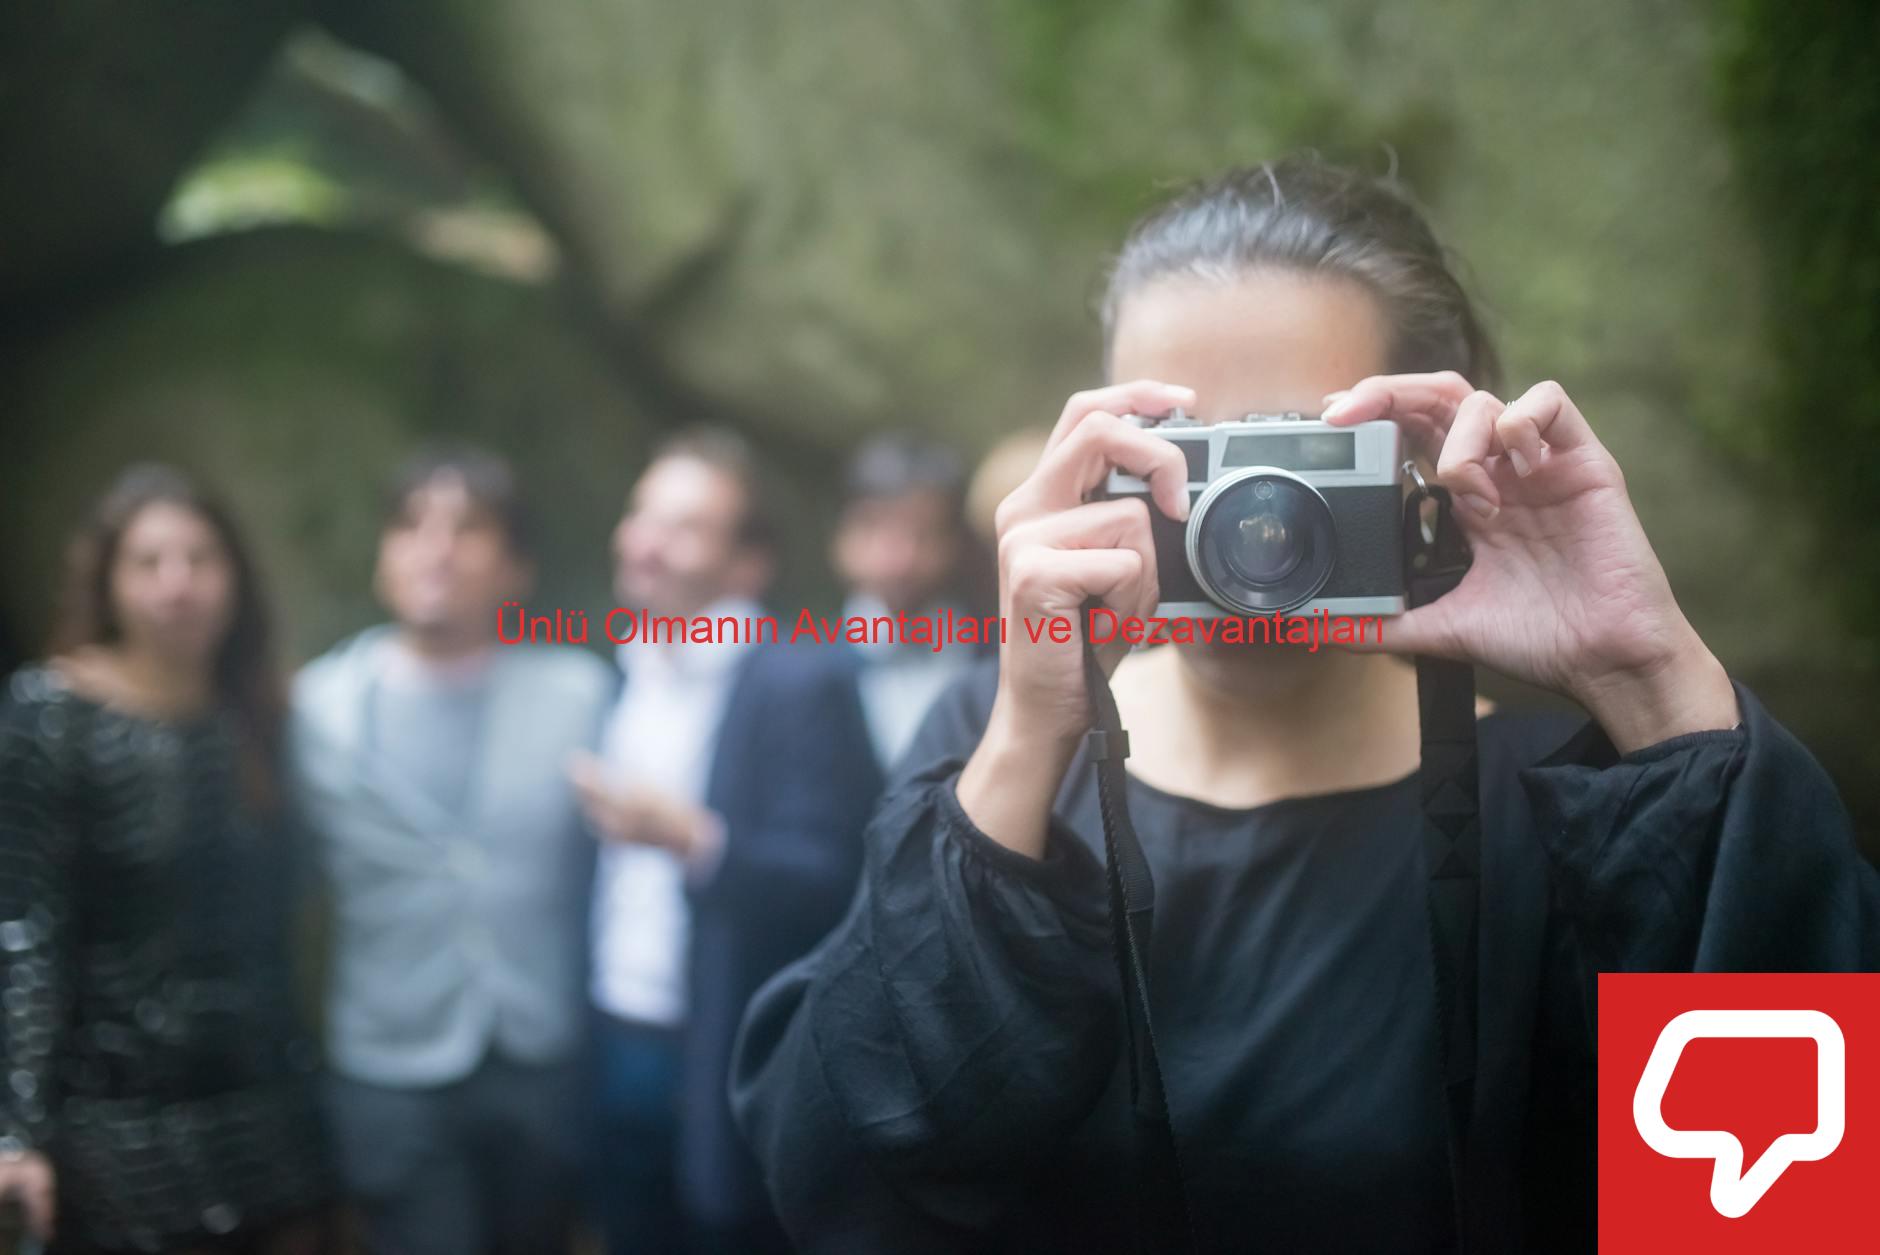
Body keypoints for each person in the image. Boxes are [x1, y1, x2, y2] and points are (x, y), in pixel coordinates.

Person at [731, 157, 1880, 1253]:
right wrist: (1025, 742)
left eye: (1293, 448)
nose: (1243, 514)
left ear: (1421, 467)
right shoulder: (1003, 750)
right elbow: (832, 1189)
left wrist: (1646, 674)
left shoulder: (1564, 817)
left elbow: (1774, 1204)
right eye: (1185, 451)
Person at [0, 464, 334, 1253]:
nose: (177, 585)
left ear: (235, 577)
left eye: (200, 558)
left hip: (265, 1106)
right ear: (108, 582)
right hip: (114, 1122)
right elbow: (23, 930)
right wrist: (15, 1127)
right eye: (149, 562)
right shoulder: (52, 714)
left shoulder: (259, 713)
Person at [288, 447, 611, 1255]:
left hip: (541, 1053)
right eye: (410, 525)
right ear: (382, 559)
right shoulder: (315, 707)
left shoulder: (582, 693)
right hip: (389, 1062)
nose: (435, 546)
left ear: (517, 569)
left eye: (467, 527)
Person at [571, 427, 881, 1254]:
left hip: (727, 1048)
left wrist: (691, 840)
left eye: (684, 526)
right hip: (614, 1027)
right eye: (642, 515)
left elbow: (840, 875)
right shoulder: (625, 668)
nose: (645, 541)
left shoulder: (800, 676)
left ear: (749, 563)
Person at [830, 435, 979, 769]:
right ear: (842, 536)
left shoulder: (998, 658)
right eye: (876, 529)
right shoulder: (801, 670)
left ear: (955, 542)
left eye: (924, 533)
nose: (900, 559)